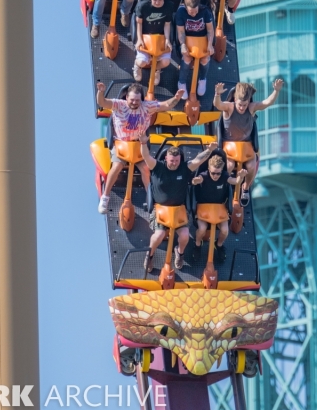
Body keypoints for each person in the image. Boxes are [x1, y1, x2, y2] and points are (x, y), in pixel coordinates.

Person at [95, 82, 185, 214]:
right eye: (132, 100)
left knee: (146, 169)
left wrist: (176, 98)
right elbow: (103, 103)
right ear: (126, 98)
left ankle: (151, 197)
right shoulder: (119, 104)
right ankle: (105, 196)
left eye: (137, 100)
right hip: (122, 143)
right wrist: (101, 92)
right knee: (117, 167)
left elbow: (166, 105)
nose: (134, 103)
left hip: (139, 144)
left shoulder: (147, 106)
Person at [140, 136, 217, 270]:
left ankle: (179, 252)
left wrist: (209, 150)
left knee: (185, 235)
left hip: (179, 209)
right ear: (166, 159)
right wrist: (143, 142)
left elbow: (199, 159)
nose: (174, 163)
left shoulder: (184, 168)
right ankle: (149, 256)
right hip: (160, 209)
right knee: (158, 235)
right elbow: (145, 156)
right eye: (172, 161)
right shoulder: (158, 167)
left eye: (177, 160)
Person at [213, 79, 284, 195]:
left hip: (246, 146)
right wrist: (217, 94)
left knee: (251, 166)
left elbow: (267, 103)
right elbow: (218, 104)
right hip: (229, 146)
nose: (242, 108)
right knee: (229, 166)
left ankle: (245, 189)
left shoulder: (251, 108)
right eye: (240, 105)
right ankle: (223, 189)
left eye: (244, 105)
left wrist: (276, 90)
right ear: (235, 100)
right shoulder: (229, 107)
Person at [191, 154, 245, 263]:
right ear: (209, 170)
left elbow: (235, 181)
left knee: (225, 230)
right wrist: (195, 181)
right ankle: (197, 244)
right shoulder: (204, 176)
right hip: (204, 207)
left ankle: (218, 244)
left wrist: (240, 177)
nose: (215, 176)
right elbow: (196, 181)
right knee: (202, 228)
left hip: (219, 208)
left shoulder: (224, 176)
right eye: (213, 173)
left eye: (218, 173)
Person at [133, 0, 175, 84]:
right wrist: (139, 39)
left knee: (166, 61)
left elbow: (167, 24)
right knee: (142, 62)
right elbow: (139, 24)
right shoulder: (143, 6)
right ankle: (137, 66)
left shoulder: (168, 6)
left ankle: (156, 68)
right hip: (146, 36)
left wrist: (167, 40)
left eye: (160, 0)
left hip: (160, 36)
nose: (157, 2)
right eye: (155, 0)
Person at [175, 0, 215, 97]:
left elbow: (210, 30)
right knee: (187, 57)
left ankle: (202, 79)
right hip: (188, 39)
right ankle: (182, 82)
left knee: (205, 58)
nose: (193, 14)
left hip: (202, 38)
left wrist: (210, 44)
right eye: (191, 12)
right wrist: (183, 45)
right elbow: (181, 31)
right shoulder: (181, 12)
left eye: (195, 11)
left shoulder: (205, 11)